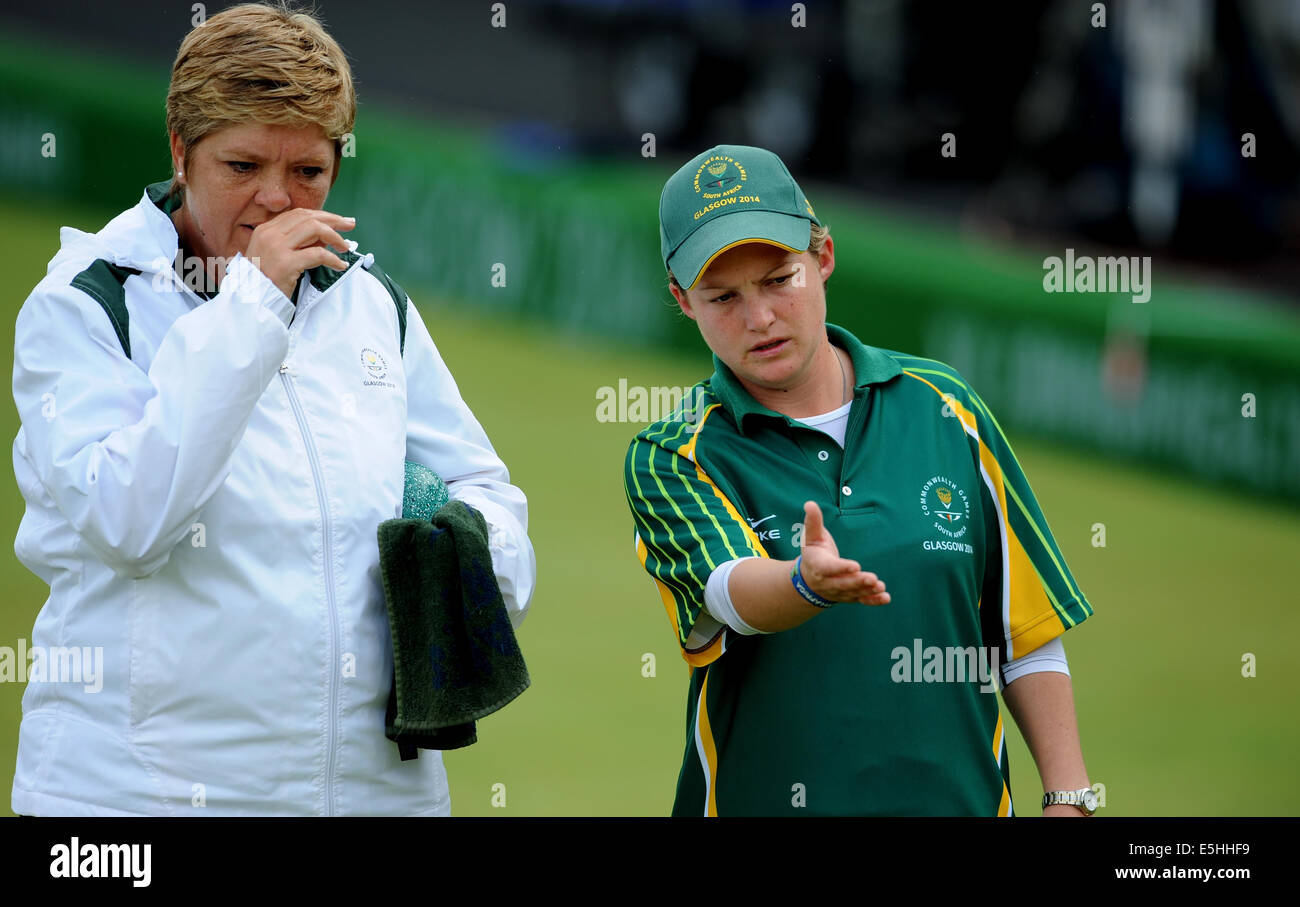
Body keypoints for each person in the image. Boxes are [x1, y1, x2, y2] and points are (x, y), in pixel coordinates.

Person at [10, 2, 535, 816]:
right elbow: (128, 518)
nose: (275, 202)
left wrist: (463, 558)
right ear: (181, 152)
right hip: (132, 801)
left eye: (308, 173)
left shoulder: (371, 303)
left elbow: (487, 492)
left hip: (376, 795)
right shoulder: (86, 303)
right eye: (243, 165)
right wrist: (255, 305)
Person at [624, 144, 1097, 817]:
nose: (758, 317)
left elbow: (1022, 627)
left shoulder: (947, 408)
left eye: (779, 279)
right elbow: (725, 593)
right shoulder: (674, 454)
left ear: (823, 258)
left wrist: (1070, 797)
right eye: (722, 296)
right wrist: (801, 583)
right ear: (683, 301)